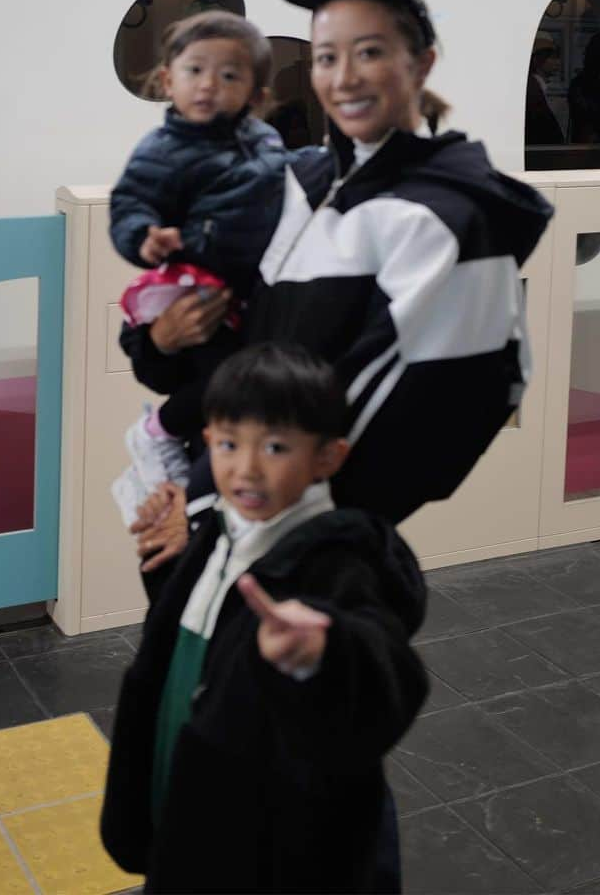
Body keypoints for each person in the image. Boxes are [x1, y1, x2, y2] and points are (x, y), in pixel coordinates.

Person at [122, 0, 554, 542]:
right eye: (326, 56)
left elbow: (418, 423)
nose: (344, 77)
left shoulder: (448, 221)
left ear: (421, 62)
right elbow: (204, 304)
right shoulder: (295, 180)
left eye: (370, 52)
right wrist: (159, 339)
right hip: (217, 501)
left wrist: (211, 516)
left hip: (302, 542)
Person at [100, 343, 429, 893]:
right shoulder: (221, 529)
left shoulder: (339, 560)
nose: (246, 469)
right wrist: (171, 563)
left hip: (272, 836)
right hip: (191, 771)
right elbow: (203, 621)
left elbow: (386, 669)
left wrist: (323, 653)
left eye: (275, 447)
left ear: (328, 457)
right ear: (208, 442)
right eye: (229, 444)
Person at [109, 10, 289, 502]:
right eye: (194, 71)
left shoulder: (269, 142)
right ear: (168, 80)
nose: (209, 84)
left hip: (246, 291)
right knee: (229, 385)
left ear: (256, 96)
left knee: (245, 385)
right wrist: (143, 237)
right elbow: (130, 202)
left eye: (228, 75)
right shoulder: (162, 148)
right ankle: (159, 433)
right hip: (197, 285)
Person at [525, 32, 565, 147]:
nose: (557, 62)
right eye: (551, 57)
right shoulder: (533, 88)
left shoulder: (538, 86)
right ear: (538, 59)